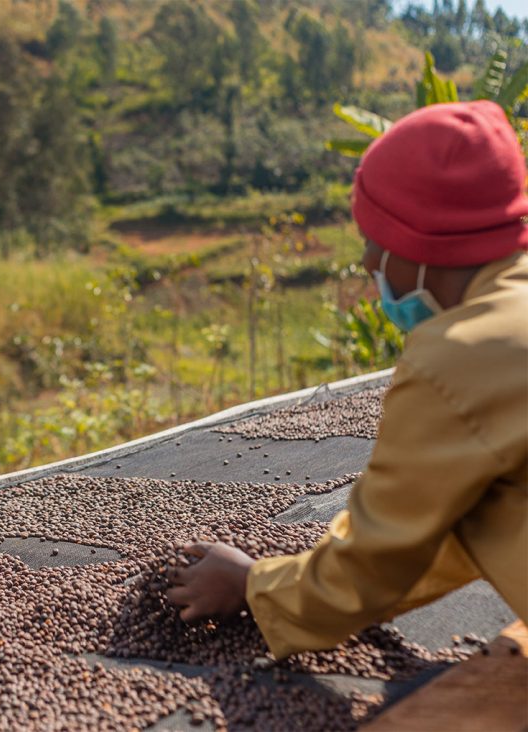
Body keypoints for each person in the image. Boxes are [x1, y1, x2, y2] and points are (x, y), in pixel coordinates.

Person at [166, 100, 528, 659]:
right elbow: (473, 516)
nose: (367, 262)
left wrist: (251, 586)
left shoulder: (456, 357)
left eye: (374, 239)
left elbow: (375, 560)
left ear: (422, 245)